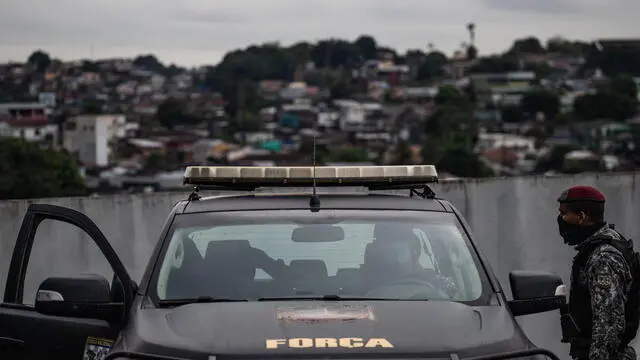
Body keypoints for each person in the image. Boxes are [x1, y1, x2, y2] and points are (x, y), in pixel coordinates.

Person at [557, 185, 637, 360]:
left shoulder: (603, 258)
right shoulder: (600, 246)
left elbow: (608, 324)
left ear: (581, 216)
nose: (560, 219)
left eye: (564, 214)